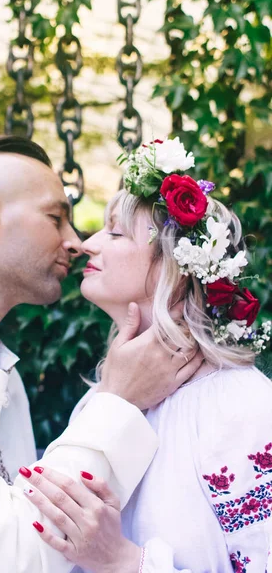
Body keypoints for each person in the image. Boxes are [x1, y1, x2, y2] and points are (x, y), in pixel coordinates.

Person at [0, 135, 201, 573]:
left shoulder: (3, 372)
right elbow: (10, 558)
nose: (77, 241)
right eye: (56, 218)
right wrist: (118, 400)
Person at [28, 138, 272, 571]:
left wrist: (124, 561)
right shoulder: (105, 398)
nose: (88, 244)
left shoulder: (241, 407)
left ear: (170, 268)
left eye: (116, 232)